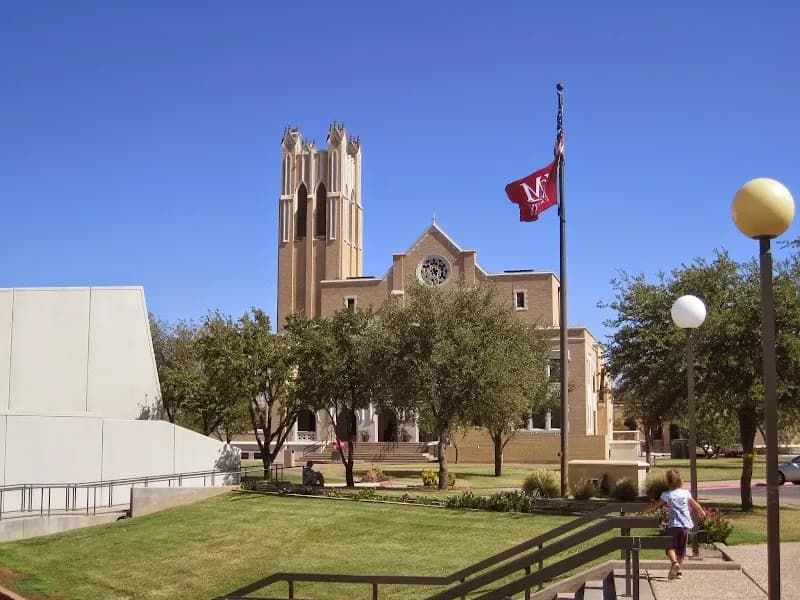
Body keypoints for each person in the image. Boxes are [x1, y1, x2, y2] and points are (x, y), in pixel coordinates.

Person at [643, 468, 706, 580]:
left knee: (670, 547)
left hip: (673, 525)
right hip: (685, 526)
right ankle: (678, 572)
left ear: (668, 481)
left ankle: (674, 563)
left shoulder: (666, 494)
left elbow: (655, 505)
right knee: (681, 549)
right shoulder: (686, 493)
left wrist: (644, 512)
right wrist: (702, 512)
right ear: (680, 480)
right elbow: (696, 505)